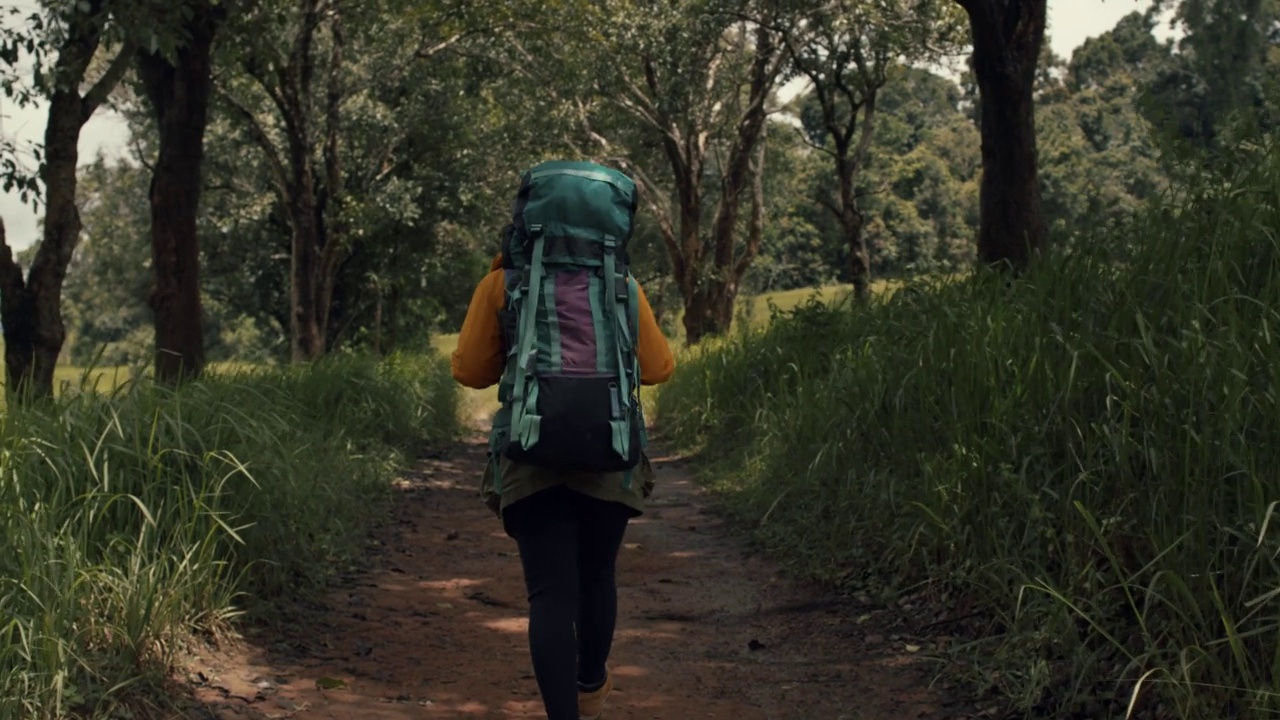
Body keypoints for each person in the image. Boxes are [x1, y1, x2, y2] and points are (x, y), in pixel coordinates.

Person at [451, 195, 675, 717]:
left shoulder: (503, 284)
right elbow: (659, 367)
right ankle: (591, 682)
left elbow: (470, 372)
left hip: (530, 456)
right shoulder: (622, 285)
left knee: (550, 595)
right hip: (609, 450)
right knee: (597, 575)